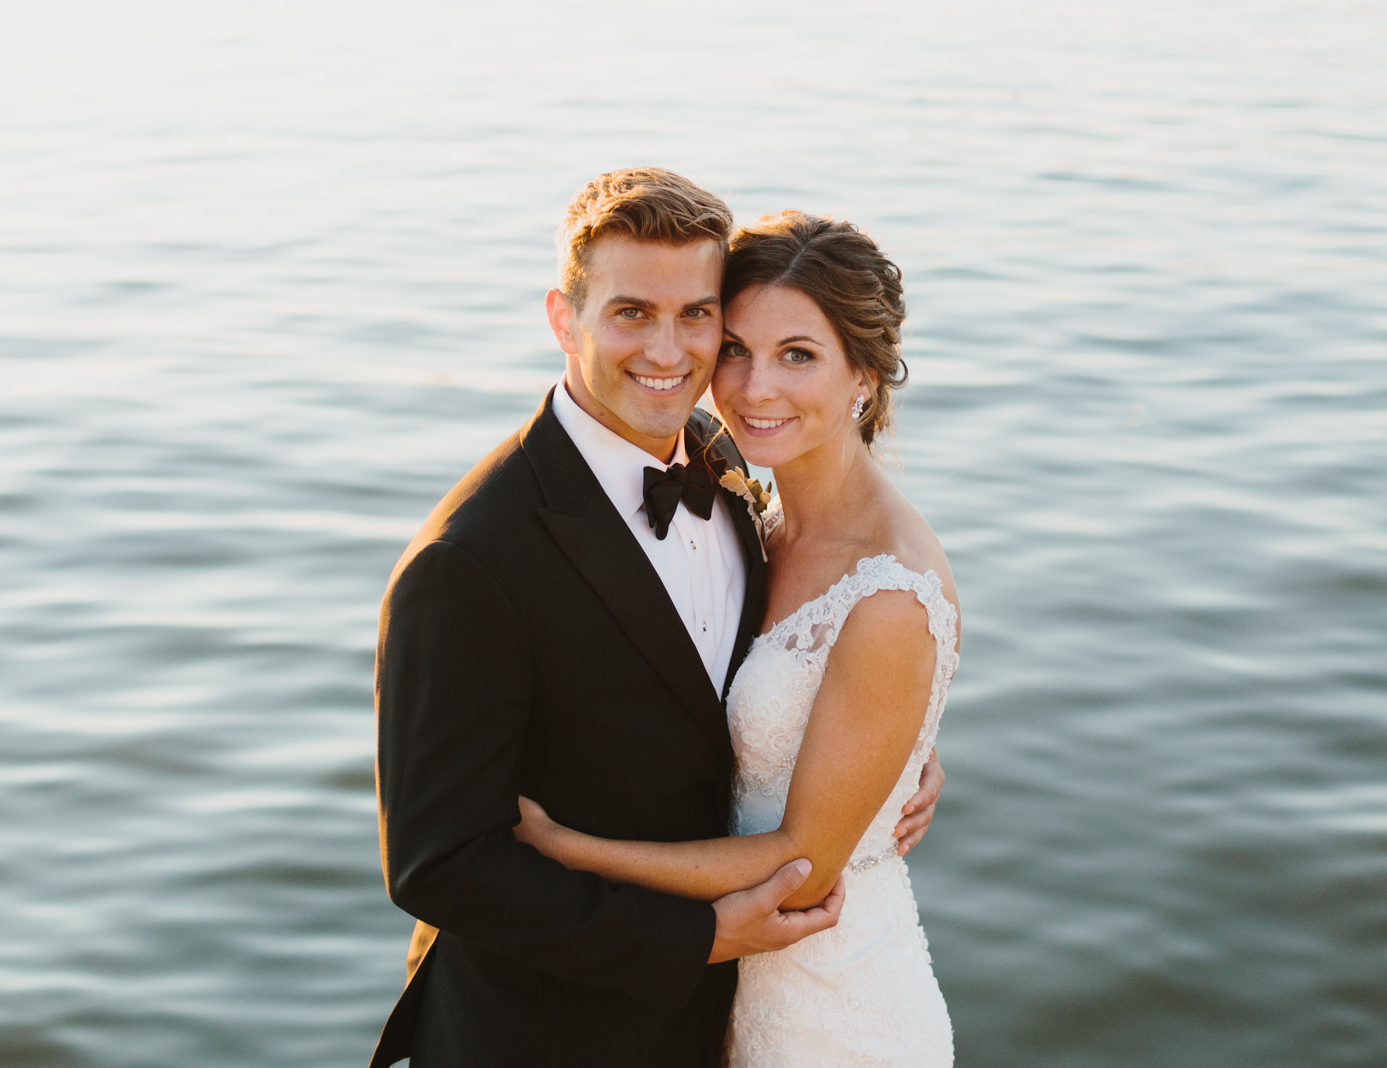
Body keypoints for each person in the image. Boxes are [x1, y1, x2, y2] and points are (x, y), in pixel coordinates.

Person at [369, 171, 943, 1068]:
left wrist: (892, 755)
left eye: (697, 315)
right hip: (546, 1035)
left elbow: (780, 671)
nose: (669, 352)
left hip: (746, 1019)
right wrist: (691, 937)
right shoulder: (468, 563)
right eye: (631, 312)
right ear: (565, 317)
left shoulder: (727, 463)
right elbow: (439, 865)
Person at [513, 208, 961, 1066]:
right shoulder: (748, 503)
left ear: (864, 373)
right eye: (736, 349)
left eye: (799, 355)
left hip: (835, 1010)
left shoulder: (890, 590)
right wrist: (905, 754)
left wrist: (568, 849)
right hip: (723, 993)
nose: (755, 389)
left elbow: (801, 860)